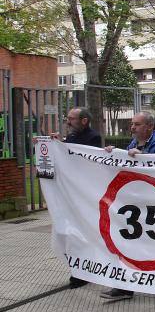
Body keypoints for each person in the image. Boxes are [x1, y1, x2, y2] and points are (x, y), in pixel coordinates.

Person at [100, 111, 155, 302]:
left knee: (151, 246)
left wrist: (144, 157)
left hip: (153, 207)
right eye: (132, 124)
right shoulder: (133, 144)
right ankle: (124, 286)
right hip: (136, 204)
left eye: (137, 124)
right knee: (128, 244)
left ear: (149, 127)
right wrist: (113, 154)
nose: (132, 127)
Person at [50, 107, 101, 289]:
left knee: (86, 232)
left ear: (84, 120)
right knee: (73, 233)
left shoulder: (93, 137)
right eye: (68, 118)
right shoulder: (70, 137)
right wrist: (56, 143)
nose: (68, 122)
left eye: (71, 119)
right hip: (71, 193)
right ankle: (78, 269)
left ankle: (85, 270)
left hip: (85, 193)